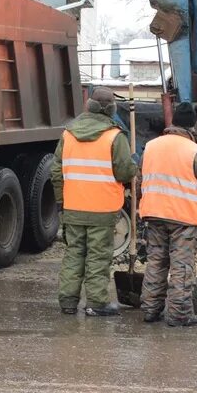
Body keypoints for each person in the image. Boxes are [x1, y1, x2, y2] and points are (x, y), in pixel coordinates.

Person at [50, 86, 138, 317]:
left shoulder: (67, 134)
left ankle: (68, 302)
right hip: (102, 209)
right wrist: (134, 164)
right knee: (98, 256)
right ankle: (97, 303)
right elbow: (124, 173)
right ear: (111, 109)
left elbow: (56, 172)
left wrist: (62, 202)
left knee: (73, 254)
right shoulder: (114, 136)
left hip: (73, 207)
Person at [138, 101, 197, 328]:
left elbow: (141, 179)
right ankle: (178, 314)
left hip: (154, 214)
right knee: (181, 266)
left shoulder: (151, 146)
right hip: (183, 218)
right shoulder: (193, 151)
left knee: (155, 262)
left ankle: (150, 309)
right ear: (191, 127)